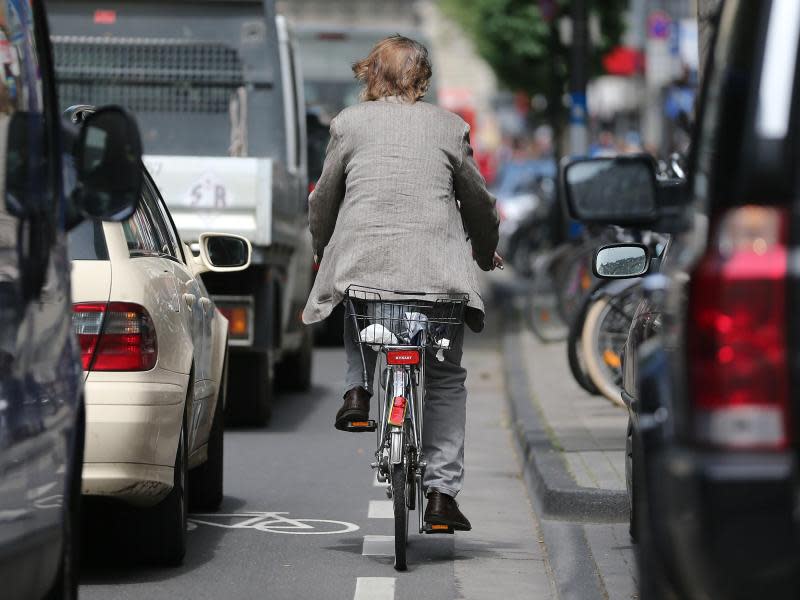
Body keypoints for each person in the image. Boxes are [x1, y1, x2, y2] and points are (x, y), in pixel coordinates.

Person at [301, 35, 502, 531]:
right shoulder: (449, 127)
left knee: (357, 299)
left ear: (372, 76)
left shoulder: (348, 124)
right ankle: (440, 496)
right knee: (446, 377)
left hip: (366, 265)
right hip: (438, 276)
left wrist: (325, 248)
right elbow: (478, 203)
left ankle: (356, 392)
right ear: (422, 79)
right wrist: (482, 250)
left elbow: (324, 197)